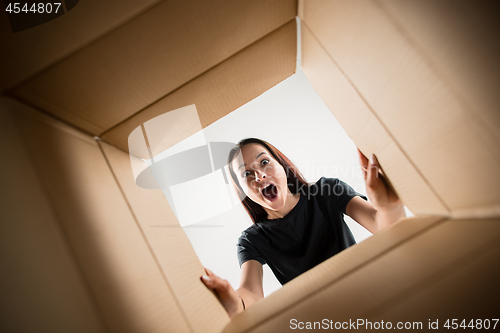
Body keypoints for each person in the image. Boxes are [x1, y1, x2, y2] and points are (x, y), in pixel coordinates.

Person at [200, 138, 405, 319]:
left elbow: (384, 226)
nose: (259, 175)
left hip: (372, 298)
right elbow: (251, 295)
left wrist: (387, 206)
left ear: (281, 165)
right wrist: (231, 299)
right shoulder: (252, 240)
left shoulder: (326, 192)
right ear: (242, 190)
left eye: (264, 162)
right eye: (246, 173)